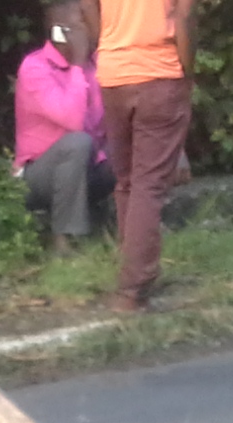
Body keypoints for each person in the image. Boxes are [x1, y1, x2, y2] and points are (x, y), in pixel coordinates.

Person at [87, 0, 192, 312]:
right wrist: (186, 71)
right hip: (160, 73)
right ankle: (134, 288)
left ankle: (131, 274)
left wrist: (107, 46)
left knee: (128, 182)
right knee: (148, 184)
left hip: (114, 75)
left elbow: (86, 6)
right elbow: (184, 15)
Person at [15, 0, 113, 252]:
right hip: (40, 176)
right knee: (78, 142)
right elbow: (73, 120)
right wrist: (78, 66)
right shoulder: (35, 67)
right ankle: (64, 238)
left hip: (89, 167)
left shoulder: (97, 65)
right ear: (60, 31)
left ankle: (135, 231)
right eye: (83, 24)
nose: (93, 29)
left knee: (132, 140)